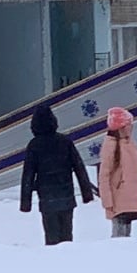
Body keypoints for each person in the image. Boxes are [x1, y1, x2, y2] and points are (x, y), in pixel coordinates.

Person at [18, 104, 94, 245]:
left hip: (47, 199)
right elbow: (79, 167)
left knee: (51, 236)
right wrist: (86, 193)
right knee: (67, 236)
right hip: (66, 195)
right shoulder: (65, 141)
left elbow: (28, 174)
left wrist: (25, 203)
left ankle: (54, 263)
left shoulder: (34, 145)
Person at [95, 106, 137, 237]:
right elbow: (104, 175)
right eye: (129, 124)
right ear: (121, 127)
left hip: (131, 199)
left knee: (127, 233)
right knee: (119, 235)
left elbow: (136, 174)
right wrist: (107, 201)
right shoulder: (111, 146)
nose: (131, 128)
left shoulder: (130, 144)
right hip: (118, 200)